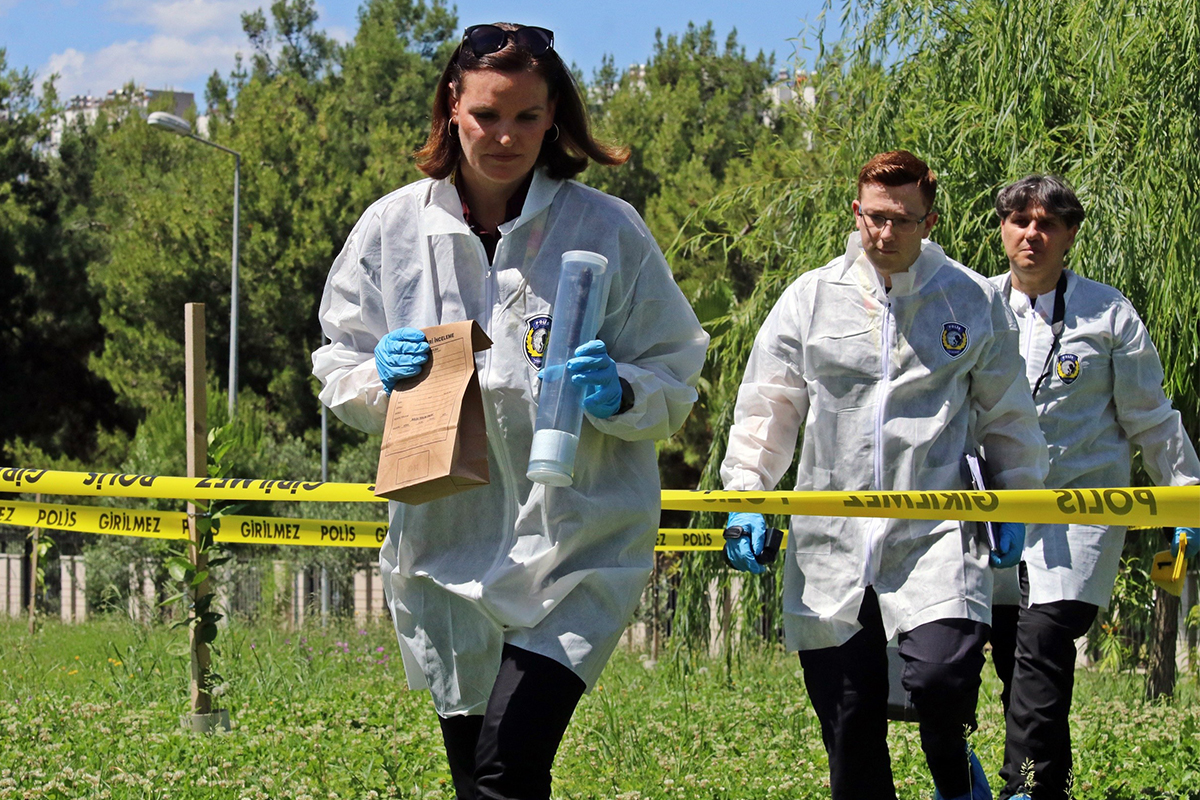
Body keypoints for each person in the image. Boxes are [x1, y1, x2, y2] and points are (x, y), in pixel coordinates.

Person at [311, 23, 708, 800]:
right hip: (444, 553)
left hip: (575, 546)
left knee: (507, 767)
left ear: (554, 117)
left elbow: (675, 366)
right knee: (478, 778)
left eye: (528, 117)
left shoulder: (606, 230)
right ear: (451, 107)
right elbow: (337, 363)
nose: (505, 136)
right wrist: (377, 379)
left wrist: (621, 390)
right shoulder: (393, 230)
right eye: (487, 114)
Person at [720, 150, 1049, 800]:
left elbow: (1008, 415)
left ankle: (956, 778)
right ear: (857, 212)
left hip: (936, 535)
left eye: (902, 220)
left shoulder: (972, 301)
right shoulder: (811, 300)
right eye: (874, 218)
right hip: (831, 537)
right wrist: (748, 496)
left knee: (940, 680)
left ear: (929, 220)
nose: (885, 234)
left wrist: (1016, 499)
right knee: (848, 726)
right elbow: (769, 405)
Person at [987, 175, 1200, 800]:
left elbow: (1152, 418)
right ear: (1002, 228)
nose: (1034, 234)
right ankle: (1049, 785)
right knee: (1019, 664)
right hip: (992, 516)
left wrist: (1185, 496)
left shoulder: (1108, 314)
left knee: (1043, 645)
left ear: (1070, 234)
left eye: (1048, 223)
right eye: (1020, 221)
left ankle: (1019, 792)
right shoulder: (970, 306)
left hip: (1077, 517)